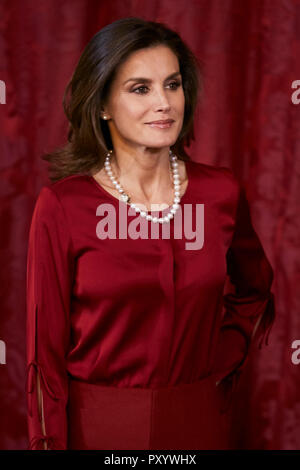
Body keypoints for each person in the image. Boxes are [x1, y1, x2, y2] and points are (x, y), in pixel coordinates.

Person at [26, 17, 275, 450]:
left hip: (199, 424)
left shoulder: (221, 193)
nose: (164, 102)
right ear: (103, 104)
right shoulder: (63, 206)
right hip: (98, 431)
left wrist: (220, 361)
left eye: (173, 84)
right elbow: (43, 358)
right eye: (140, 88)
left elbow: (255, 288)